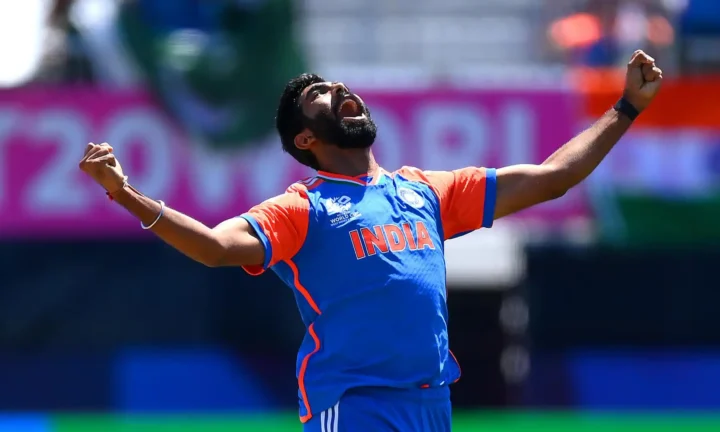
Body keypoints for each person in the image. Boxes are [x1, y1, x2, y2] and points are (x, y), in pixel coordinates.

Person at [79, 50, 662, 431]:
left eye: (335, 85)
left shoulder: (425, 191)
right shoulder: (303, 208)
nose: (336, 88)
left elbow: (553, 178)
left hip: (430, 403)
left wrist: (626, 108)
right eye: (318, 96)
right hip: (355, 403)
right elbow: (213, 246)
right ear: (306, 139)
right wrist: (126, 194)